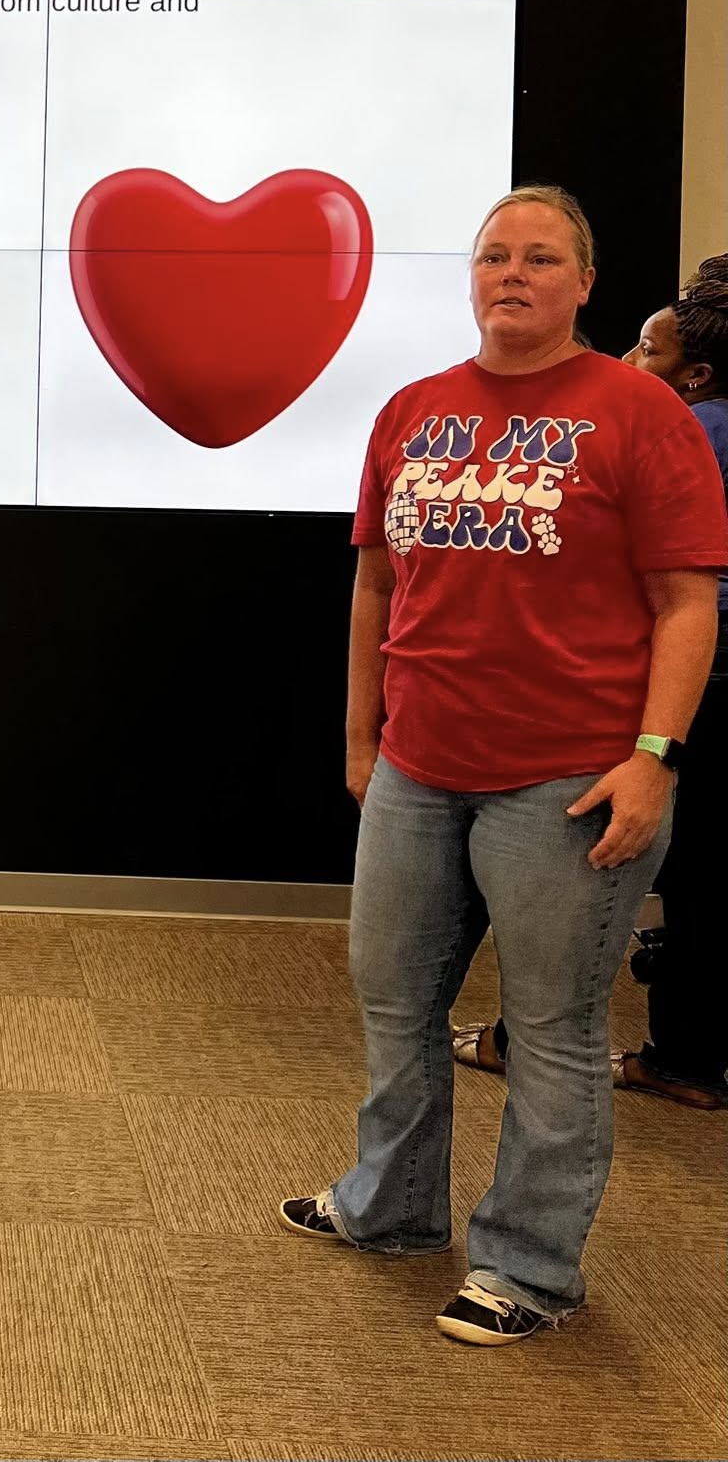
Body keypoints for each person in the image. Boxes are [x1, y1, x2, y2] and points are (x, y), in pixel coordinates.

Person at [280, 186, 728, 1345]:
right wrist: (359, 735)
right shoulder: (412, 409)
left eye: (539, 256)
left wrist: (653, 760)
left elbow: (687, 603)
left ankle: (527, 1267)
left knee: (553, 1026)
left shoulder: (640, 413)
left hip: (571, 778)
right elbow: (377, 583)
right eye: (491, 255)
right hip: (419, 768)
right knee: (393, 999)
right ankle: (389, 1207)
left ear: (584, 283)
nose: (510, 273)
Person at [453, 260, 728, 1109]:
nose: (626, 358)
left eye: (646, 349)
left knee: (563, 875)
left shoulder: (684, 430)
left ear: (697, 371)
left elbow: (678, 587)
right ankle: (685, 1057)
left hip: (680, 687)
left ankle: (527, 1040)